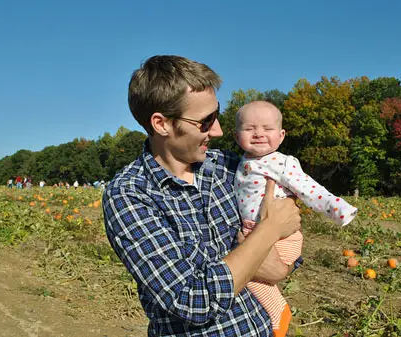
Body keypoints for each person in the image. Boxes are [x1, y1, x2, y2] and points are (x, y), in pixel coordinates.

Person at [102, 55, 301, 336]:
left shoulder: (229, 167)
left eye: (216, 115)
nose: (218, 130)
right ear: (162, 124)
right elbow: (192, 300)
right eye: (205, 121)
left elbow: (286, 210)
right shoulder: (129, 194)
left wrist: (280, 265)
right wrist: (267, 234)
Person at [234, 101, 358, 336]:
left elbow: (309, 189)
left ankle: (278, 315)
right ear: (236, 135)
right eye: (249, 128)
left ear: (281, 136)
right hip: (256, 231)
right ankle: (271, 318)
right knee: (249, 279)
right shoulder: (241, 162)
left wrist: (339, 209)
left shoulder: (281, 162)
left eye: (267, 129)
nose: (259, 133)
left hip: (282, 238)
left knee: (248, 278)